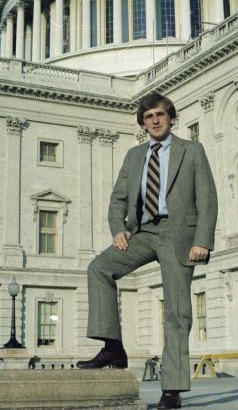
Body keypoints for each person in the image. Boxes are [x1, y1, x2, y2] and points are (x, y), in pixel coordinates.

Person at [77, 91, 218, 409]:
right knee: (99, 268)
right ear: (142, 122)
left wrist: (203, 241)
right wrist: (118, 231)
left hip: (178, 235)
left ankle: (172, 389)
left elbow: (207, 198)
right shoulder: (134, 155)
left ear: (171, 118)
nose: (155, 120)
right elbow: (118, 199)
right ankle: (112, 346)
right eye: (149, 116)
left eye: (160, 114)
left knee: (177, 312)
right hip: (141, 233)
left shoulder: (192, 151)